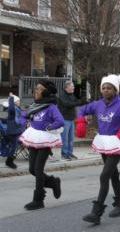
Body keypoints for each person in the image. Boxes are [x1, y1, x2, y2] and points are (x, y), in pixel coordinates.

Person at [77, 74, 120, 225]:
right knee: (113, 175)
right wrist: (81, 121)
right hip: (103, 142)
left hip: (116, 142)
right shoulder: (97, 104)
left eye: (109, 88)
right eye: (103, 88)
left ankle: (96, 212)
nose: (105, 91)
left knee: (104, 176)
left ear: (115, 90)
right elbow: (82, 110)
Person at [20, 79, 64, 210]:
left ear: (45, 92)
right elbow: (25, 115)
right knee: (32, 169)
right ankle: (53, 182)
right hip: (33, 137)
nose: (36, 91)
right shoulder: (35, 105)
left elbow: (60, 121)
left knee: (38, 169)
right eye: (36, 88)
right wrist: (23, 123)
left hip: (45, 139)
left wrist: (50, 127)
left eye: (39, 89)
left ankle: (38, 200)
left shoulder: (51, 107)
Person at [58, 80, 81, 160]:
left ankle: (70, 153)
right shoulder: (62, 95)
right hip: (64, 119)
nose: (74, 87)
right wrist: (76, 103)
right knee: (65, 138)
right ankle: (64, 154)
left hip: (71, 119)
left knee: (71, 138)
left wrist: (78, 102)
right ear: (67, 87)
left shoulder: (71, 95)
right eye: (72, 86)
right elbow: (67, 104)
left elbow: (76, 101)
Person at [1, 94, 25, 169]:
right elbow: (18, 120)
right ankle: (9, 161)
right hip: (12, 132)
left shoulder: (17, 109)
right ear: (14, 102)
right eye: (17, 100)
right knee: (13, 146)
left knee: (14, 146)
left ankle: (9, 161)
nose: (19, 102)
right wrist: (11, 98)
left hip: (15, 132)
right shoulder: (13, 110)